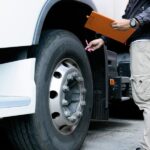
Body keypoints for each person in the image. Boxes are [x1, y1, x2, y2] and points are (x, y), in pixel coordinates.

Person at [85, 0, 150, 150]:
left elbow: (131, 22)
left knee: (146, 96)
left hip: (145, 45)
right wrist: (102, 39)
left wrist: (134, 22)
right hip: (143, 44)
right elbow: (125, 23)